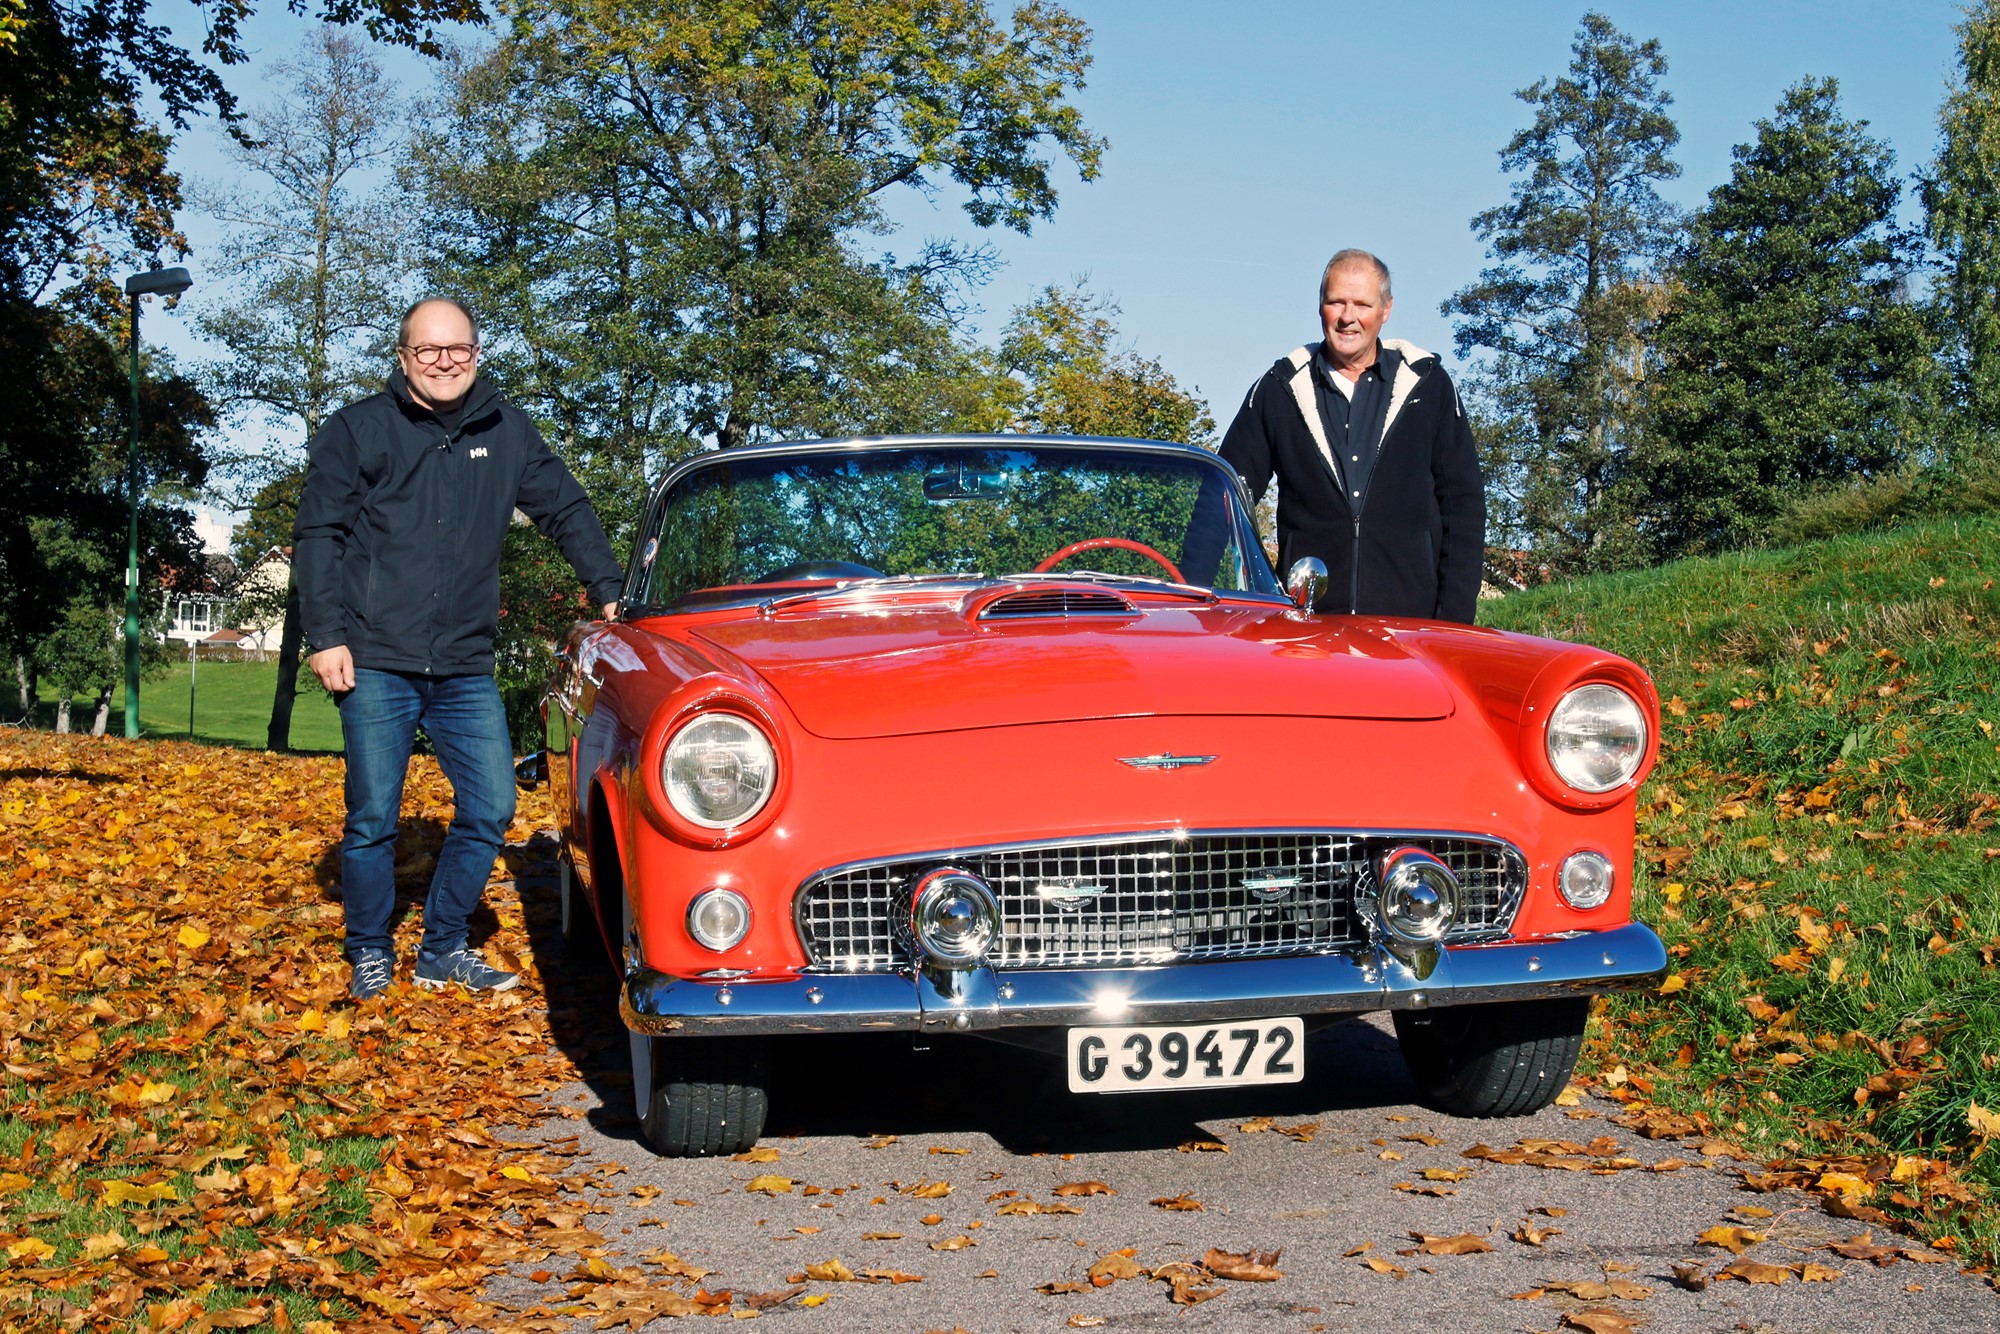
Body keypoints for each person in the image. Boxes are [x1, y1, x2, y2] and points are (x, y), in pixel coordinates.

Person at [295, 297, 625, 1000]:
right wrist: (325, 636)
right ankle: (369, 948)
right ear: (404, 357)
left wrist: (609, 588)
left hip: (465, 663)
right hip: (376, 658)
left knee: (491, 806)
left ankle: (442, 948)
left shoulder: (505, 430)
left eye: (458, 349)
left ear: (476, 354)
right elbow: (318, 536)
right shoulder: (357, 430)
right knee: (373, 817)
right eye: (428, 350)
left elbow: (564, 507)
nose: (444, 361)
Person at [1217, 249, 1484, 622]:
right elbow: (1222, 501)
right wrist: (1206, 614)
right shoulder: (1279, 389)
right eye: (1336, 302)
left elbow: (1464, 511)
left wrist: (1453, 627)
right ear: (1320, 306)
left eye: (1362, 304)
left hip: (1411, 635)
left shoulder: (1429, 387)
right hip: (1306, 635)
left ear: (1386, 310)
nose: (1348, 317)